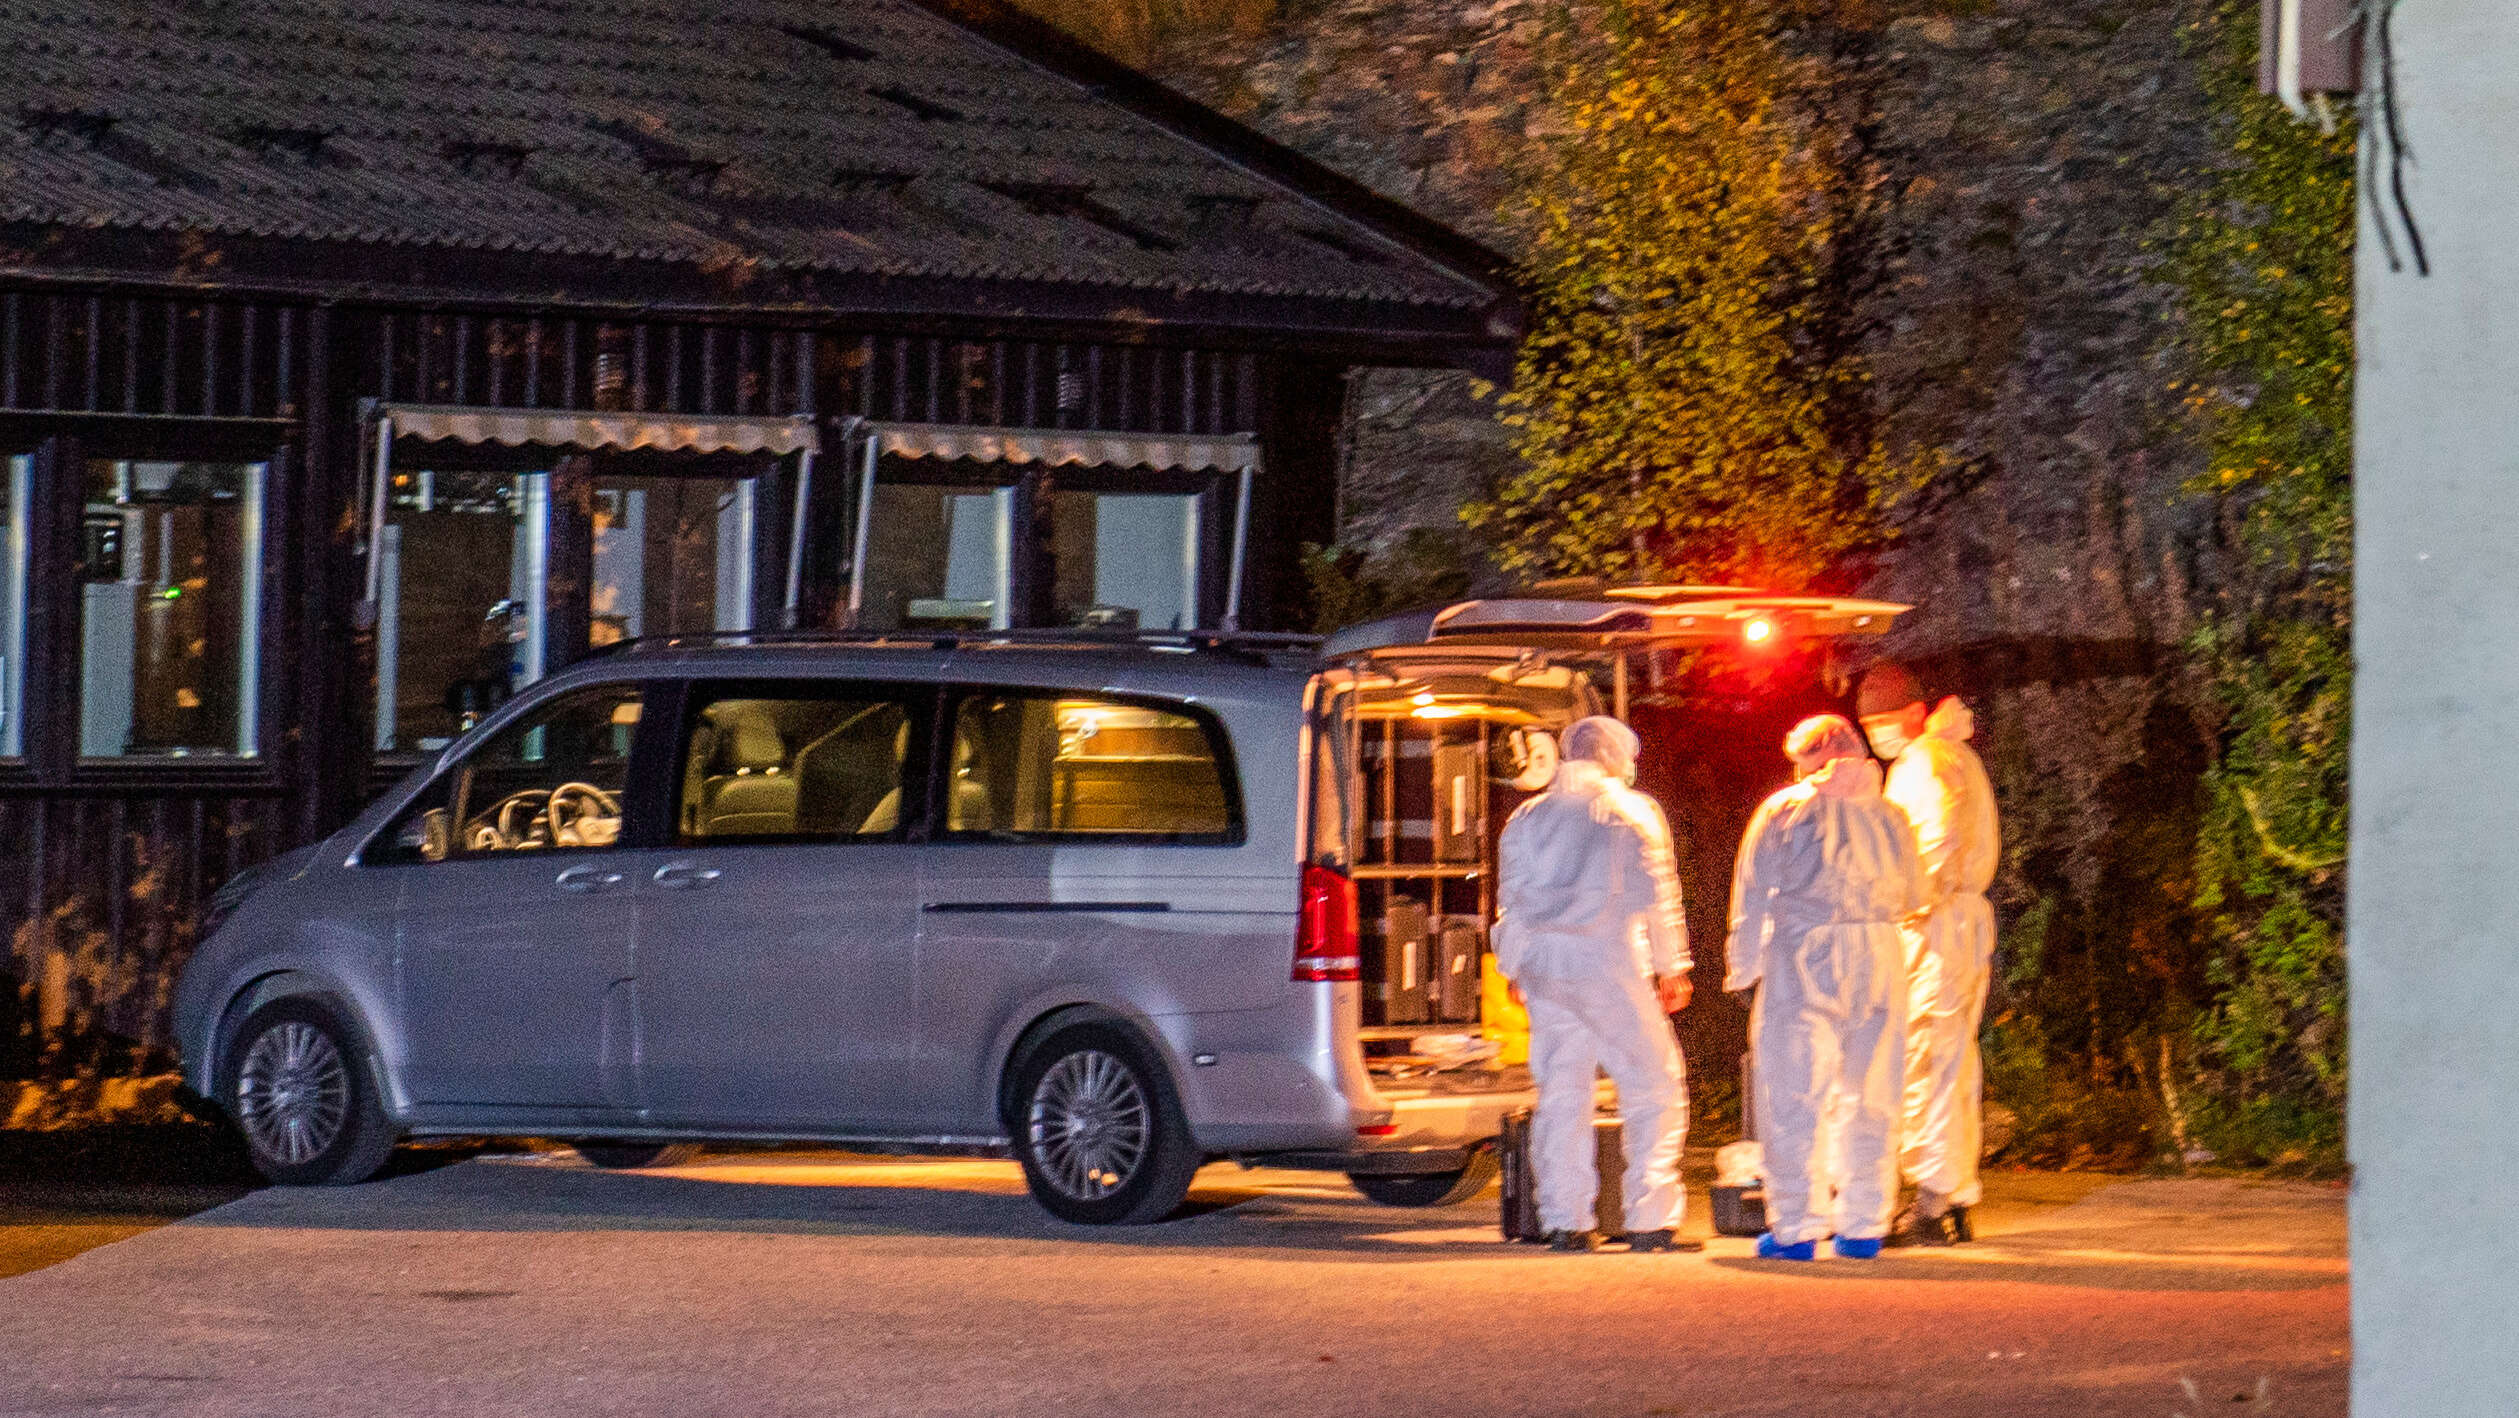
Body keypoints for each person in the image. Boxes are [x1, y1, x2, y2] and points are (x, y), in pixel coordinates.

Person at [1724, 715, 1924, 1261]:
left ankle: (1796, 1228)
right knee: (1873, 1094)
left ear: (1810, 756)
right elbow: (1916, 893)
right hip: (1880, 955)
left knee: (1795, 1094)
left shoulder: (1785, 809)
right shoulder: (1890, 814)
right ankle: (1863, 1226)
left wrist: (1743, 969)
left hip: (1804, 954)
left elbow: (1751, 894)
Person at [1493, 716, 1697, 1253]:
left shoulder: (1527, 817)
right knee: (1653, 1084)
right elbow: (1657, 892)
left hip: (1545, 964)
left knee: (1562, 1093)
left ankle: (1566, 1220)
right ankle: (1650, 1219)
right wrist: (1671, 965)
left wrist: (1513, 968)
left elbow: (1510, 900)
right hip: (1609, 959)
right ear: (1614, 756)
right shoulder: (1633, 812)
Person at [1857, 663, 2001, 1245]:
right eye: (1870, 725)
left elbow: (1937, 841)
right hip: (1952, 921)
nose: (1877, 734)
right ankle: (1954, 1197)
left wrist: (1908, 903)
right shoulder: (1951, 756)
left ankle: (1930, 1205)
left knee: (1928, 1058)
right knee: (1952, 1060)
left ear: (1916, 713)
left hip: (1935, 925)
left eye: (1884, 721)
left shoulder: (1926, 762)